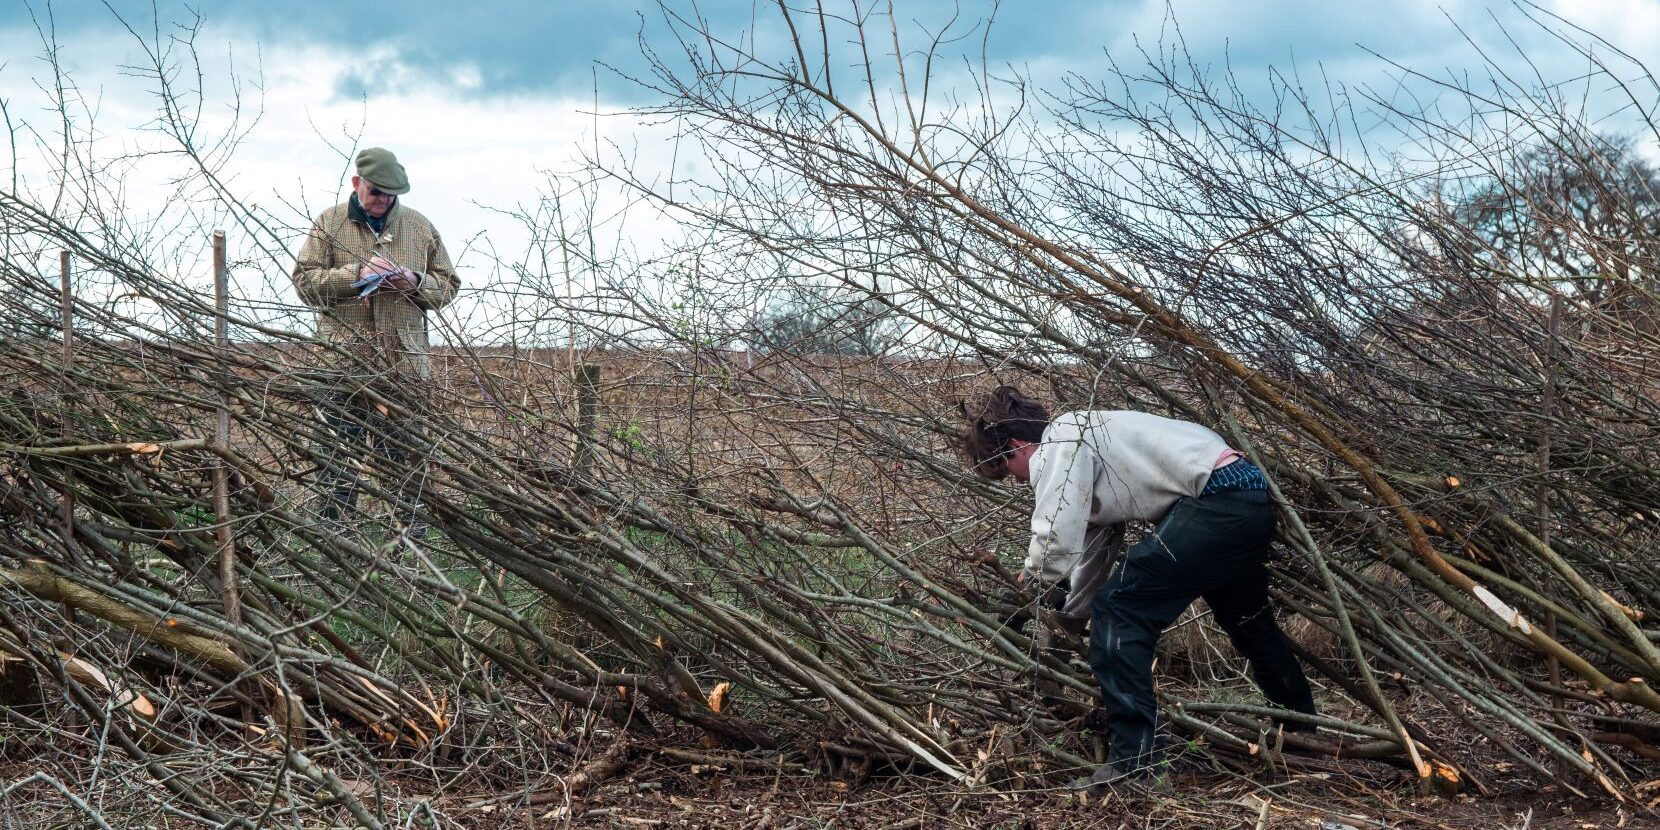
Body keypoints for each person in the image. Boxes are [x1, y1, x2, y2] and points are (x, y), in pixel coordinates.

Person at [960, 386, 1317, 794]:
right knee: (1250, 623)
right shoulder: (1090, 438)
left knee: (1120, 612)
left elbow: (1056, 531)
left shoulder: (1062, 437)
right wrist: (1071, 616)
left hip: (1213, 500)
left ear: (1017, 446)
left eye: (1008, 470)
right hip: (1246, 496)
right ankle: (1305, 737)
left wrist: (1034, 580)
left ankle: (1137, 767)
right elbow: (1095, 545)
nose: (1019, 481)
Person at [292, 147, 460, 532]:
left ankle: (410, 547)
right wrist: (355, 274)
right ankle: (334, 543)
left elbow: (449, 285)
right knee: (335, 463)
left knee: (405, 466)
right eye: (375, 191)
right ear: (357, 183)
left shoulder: (419, 228)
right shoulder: (329, 224)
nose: (383, 199)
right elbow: (304, 283)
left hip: (404, 369)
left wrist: (416, 283)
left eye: (390, 193)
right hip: (340, 367)